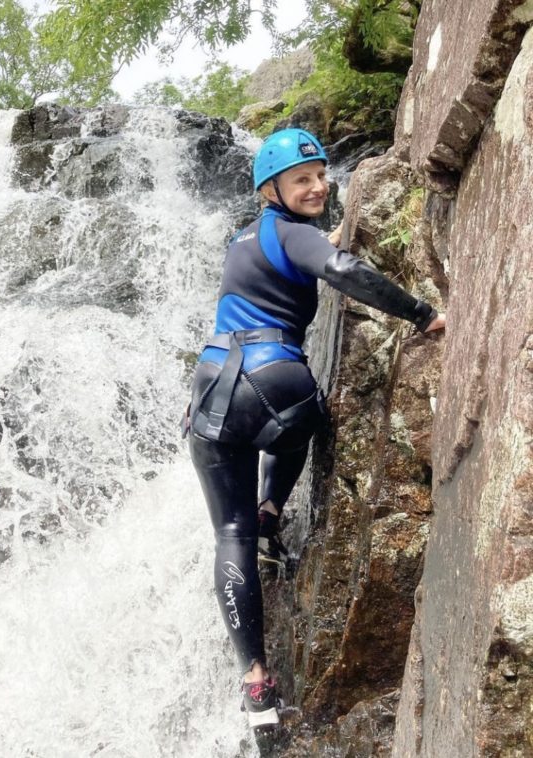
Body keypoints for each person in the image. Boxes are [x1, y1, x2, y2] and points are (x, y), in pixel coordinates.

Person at [184, 128, 445, 735]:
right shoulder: (293, 233)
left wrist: (316, 234)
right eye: (303, 179)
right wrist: (424, 314)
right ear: (270, 188)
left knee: (229, 532)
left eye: (322, 175)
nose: (319, 186)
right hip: (276, 382)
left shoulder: (242, 241)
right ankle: (273, 510)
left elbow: (285, 263)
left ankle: (254, 681)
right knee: (301, 423)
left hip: (210, 389)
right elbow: (339, 267)